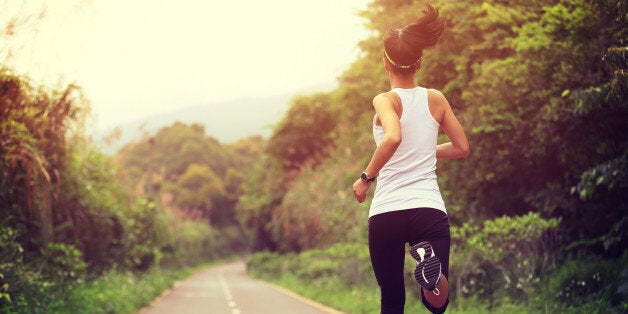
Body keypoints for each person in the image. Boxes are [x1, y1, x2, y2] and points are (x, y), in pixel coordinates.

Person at [352, 4, 469, 314]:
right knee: (437, 305)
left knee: (392, 299)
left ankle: (430, 274)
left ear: (385, 63)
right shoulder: (436, 98)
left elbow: (392, 137)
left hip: (387, 211)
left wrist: (366, 179)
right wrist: (424, 151)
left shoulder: (385, 99)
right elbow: (461, 147)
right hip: (428, 208)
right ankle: (431, 275)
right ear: (420, 62)